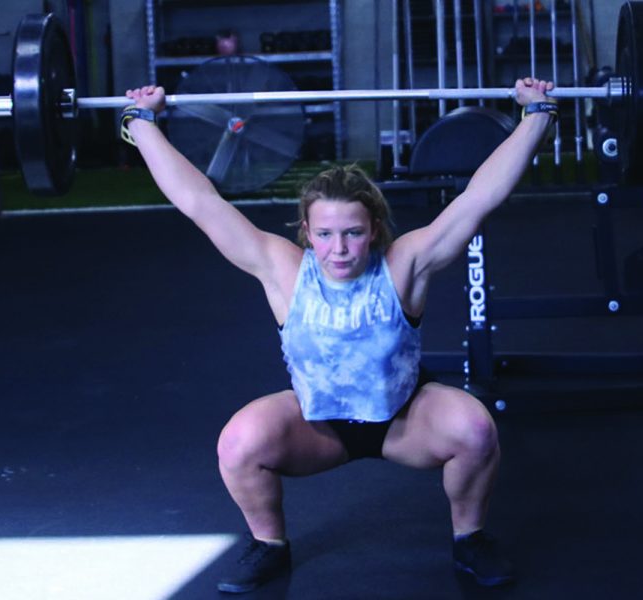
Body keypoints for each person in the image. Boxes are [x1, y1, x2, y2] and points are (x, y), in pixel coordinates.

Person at [122, 77, 556, 594]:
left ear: (373, 229)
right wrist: (141, 123)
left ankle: (470, 539)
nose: (340, 248)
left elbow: (479, 198)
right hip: (317, 426)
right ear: (307, 233)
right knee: (239, 442)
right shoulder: (282, 269)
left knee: (476, 430)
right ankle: (269, 545)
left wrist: (538, 114)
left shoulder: (404, 265)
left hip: (404, 419)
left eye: (352, 232)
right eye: (325, 234)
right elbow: (199, 201)